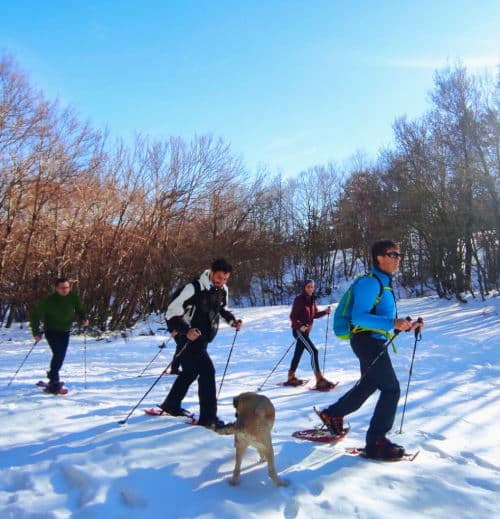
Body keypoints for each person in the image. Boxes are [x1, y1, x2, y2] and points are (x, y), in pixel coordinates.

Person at [318, 240, 423, 459]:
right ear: (379, 258)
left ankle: (332, 414)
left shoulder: (384, 283)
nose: (398, 258)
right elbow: (359, 316)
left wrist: (407, 325)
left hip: (372, 341)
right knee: (391, 388)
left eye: (398, 254)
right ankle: (376, 441)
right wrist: (392, 323)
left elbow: (383, 319)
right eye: (393, 254)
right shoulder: (370, 282)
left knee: (369, 384)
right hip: (366, 341)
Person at [159, 258, 242, 428]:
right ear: (211, 272)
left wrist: (232, 321)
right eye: (219, 277)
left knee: (190, 371)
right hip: (187, 336)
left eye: (226, 279)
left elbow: (221, 309)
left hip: (203, 338)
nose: (222, 281)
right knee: (207, 372)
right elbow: (171, 312)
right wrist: (185, 330)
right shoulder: (193, 288)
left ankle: (171, 404)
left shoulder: (222, 290)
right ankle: (208, 417)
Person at [30, 278, 88, 393]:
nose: (65, 290)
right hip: (51, 330)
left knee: (60, 354)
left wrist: (84, 318)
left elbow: (80, 309)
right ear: (56, 288)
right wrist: (36, 332)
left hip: (65, 330)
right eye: (62, 288)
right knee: (58, 353)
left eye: (67, 287)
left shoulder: (73, 297)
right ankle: (54, 381)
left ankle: (52, 375)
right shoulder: (49, 300)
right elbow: (35, 316)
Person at [286, 279, 334, 390]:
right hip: (299, 331)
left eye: (312, 287)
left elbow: (314, 314)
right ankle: (319, 379)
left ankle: (291, 376)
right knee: (314, 351)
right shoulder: (299, 300)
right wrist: (299, 326)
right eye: (308, 286)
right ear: (304, 287)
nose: (310, 289)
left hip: (306, 332)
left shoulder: (312, 300)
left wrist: (324, 312)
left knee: (298, 353)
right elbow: (293, 317)